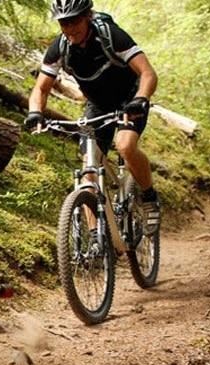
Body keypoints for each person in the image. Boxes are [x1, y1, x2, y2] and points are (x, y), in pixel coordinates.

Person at [25, 0, 160, 235]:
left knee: (125, 145)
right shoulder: (60, 47)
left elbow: (147, 73)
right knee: (89, 169)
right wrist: (35, 112)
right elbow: (41, 89)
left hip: (130, 99)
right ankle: (97, 239)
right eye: (64, 23)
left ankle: (149, 197)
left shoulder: (111, 37)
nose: (70, 28)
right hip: (97, 105)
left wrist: (141, 98)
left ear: (87, 16)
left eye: (75, 20)